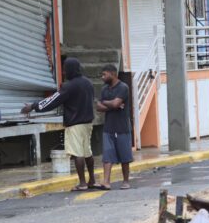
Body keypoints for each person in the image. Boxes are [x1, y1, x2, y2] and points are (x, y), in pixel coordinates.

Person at [21, 57, 96, 190]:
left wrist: (33, 106)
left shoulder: (69, 86)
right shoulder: (88, 83)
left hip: (75, 124)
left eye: (65, 69)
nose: (64, 72)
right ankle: (92, 180)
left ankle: (82, 183)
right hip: (88, 123)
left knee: (77, 153)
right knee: (87, 152)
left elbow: (53, 100)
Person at [95, 64, 132, 190]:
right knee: (107, 155)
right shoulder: (105, 89)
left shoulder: (123, 87)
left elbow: (116, 104)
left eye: (104, 74)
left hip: (122, 128)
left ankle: (126, 181)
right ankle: (106, 181)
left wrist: (109, 103)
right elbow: (98, 107)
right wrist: (111, 104)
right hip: (108, 127)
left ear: (113, 74)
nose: (102, 77)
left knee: (124, 156)